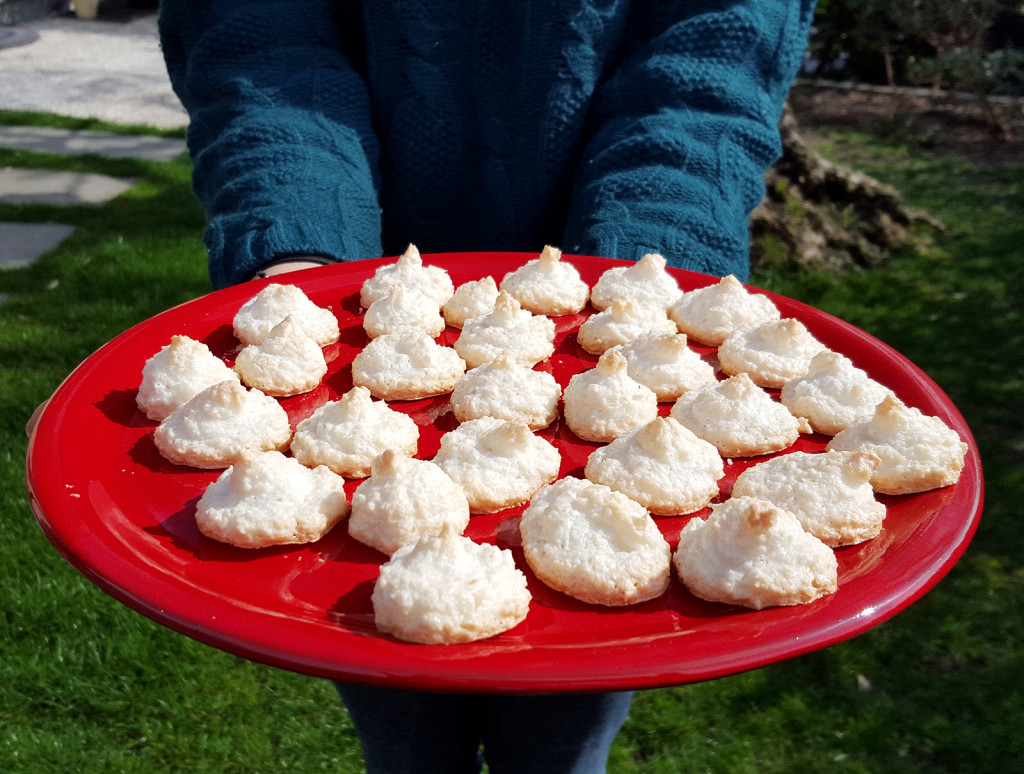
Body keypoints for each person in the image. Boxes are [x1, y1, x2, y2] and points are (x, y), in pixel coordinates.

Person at [156, 1, 816, 772]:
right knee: (397, 705)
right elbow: (262, 43)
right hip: (350, 305)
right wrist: (303, 271)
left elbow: (703, 72)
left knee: (564, 731)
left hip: (627, 305)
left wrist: (641, 281)